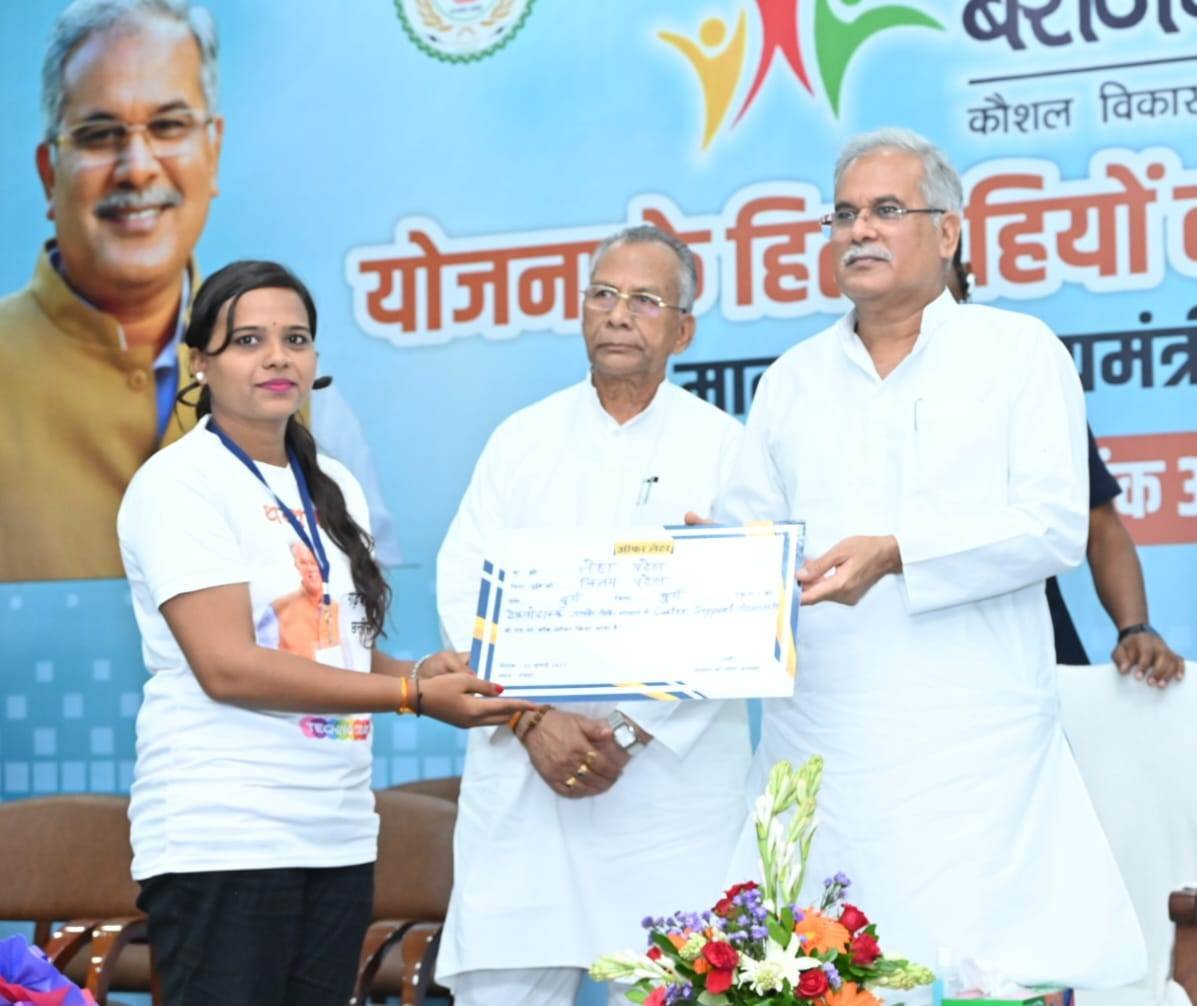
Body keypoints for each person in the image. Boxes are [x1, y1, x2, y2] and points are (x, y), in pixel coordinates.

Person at [719, 129, 1146, 995]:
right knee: (820, 967)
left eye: (886, 209)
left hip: (971, 743)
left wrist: (899, 554)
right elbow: (751, 537)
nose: (858, 230)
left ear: (947, 231)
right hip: (824, 738)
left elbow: (1052, 528)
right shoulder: (790, 379)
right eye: (844, 213)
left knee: (973, 970)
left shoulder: (1017, 352)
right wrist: (715, 560)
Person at [116, 259, 532, 1006]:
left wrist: (419, 672)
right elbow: (228, 667)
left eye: (296, 338)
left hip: (335, 831)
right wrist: (409, 696)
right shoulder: (178, 483)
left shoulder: (334, 484)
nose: (278, 357)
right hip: (224, 836)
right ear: (200, 361)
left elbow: (335, 650)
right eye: (248, 340)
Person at [434, 225, 751, 1006]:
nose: (617, 314)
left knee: (677, 983)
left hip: (668, 794)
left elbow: (740, 613)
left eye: (644, 300)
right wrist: (531, 720)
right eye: (603, 294)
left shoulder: (726, 449)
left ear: (683, 330)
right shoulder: (521, 439)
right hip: (525, 776)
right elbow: (462, 588)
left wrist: (626, 732)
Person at [0, 0, 400, 583]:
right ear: (48, 172)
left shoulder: (304, 398)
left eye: (168, 127)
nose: (137, 168)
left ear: (212, 152)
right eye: (99, 134)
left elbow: (372, 596)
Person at [948, 245, 1184, 686]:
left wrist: (1135, 628)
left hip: (1034, 655)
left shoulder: (1021, 375)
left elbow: (1099, 523)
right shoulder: (839, 390)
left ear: (962, 274)